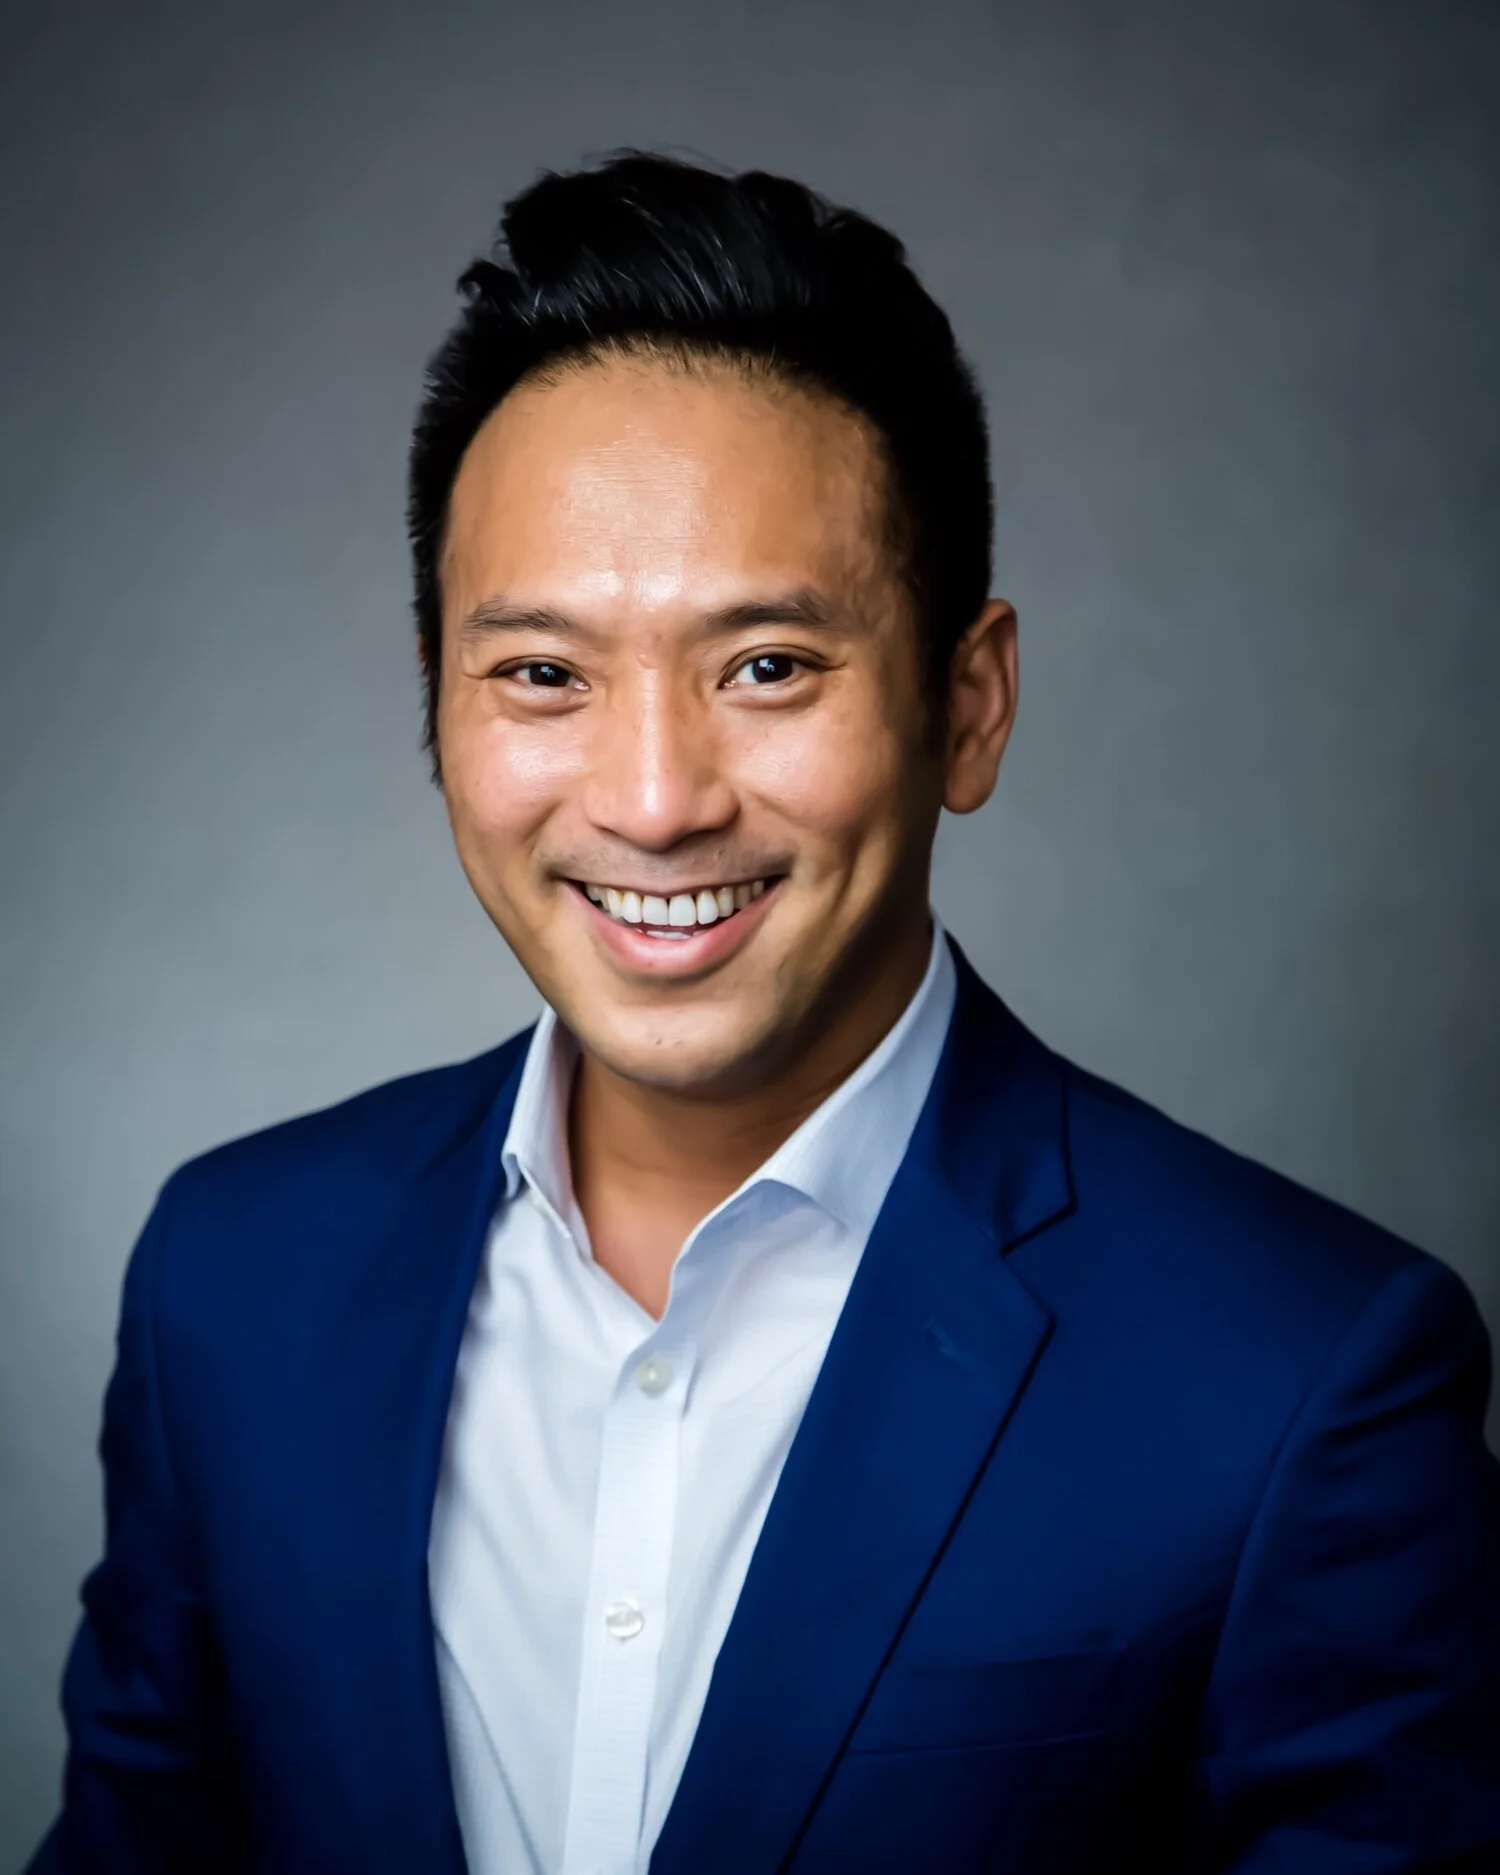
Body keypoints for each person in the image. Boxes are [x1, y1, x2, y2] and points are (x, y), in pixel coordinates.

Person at [27, 151, 1500, 1875]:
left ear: (968, 703)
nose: (654, 800)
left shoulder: (1305, 1375)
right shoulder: (233, 1282)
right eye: (543, 674)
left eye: (769, 668)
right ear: (435, 705)